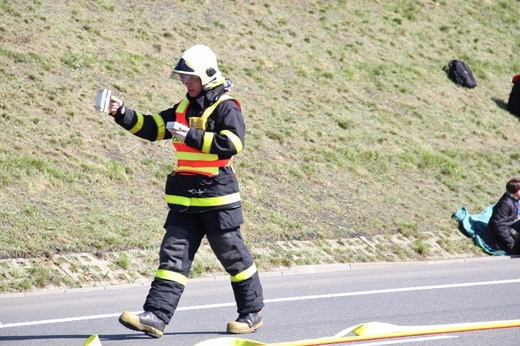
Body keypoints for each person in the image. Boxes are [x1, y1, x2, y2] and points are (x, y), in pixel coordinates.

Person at [106, 44, 264, 338]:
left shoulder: (227, 106)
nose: (185, 84)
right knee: (172, 259)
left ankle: (251, 313)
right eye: (182, 79)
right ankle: (155, 316)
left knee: (233, 258)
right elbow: (152, 127)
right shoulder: (182, 108)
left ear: (207, 77)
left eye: (190, 79)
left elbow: (233, 144)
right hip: (185, 202)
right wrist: (121, 112)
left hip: (218, 200)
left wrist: (190, 135)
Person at [486, 178, 520, 255]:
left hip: (509, 228)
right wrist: (511, 243)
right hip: (497, 238)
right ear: (517, 191)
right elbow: (498, 226)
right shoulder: (505, 204)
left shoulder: (515, 199)